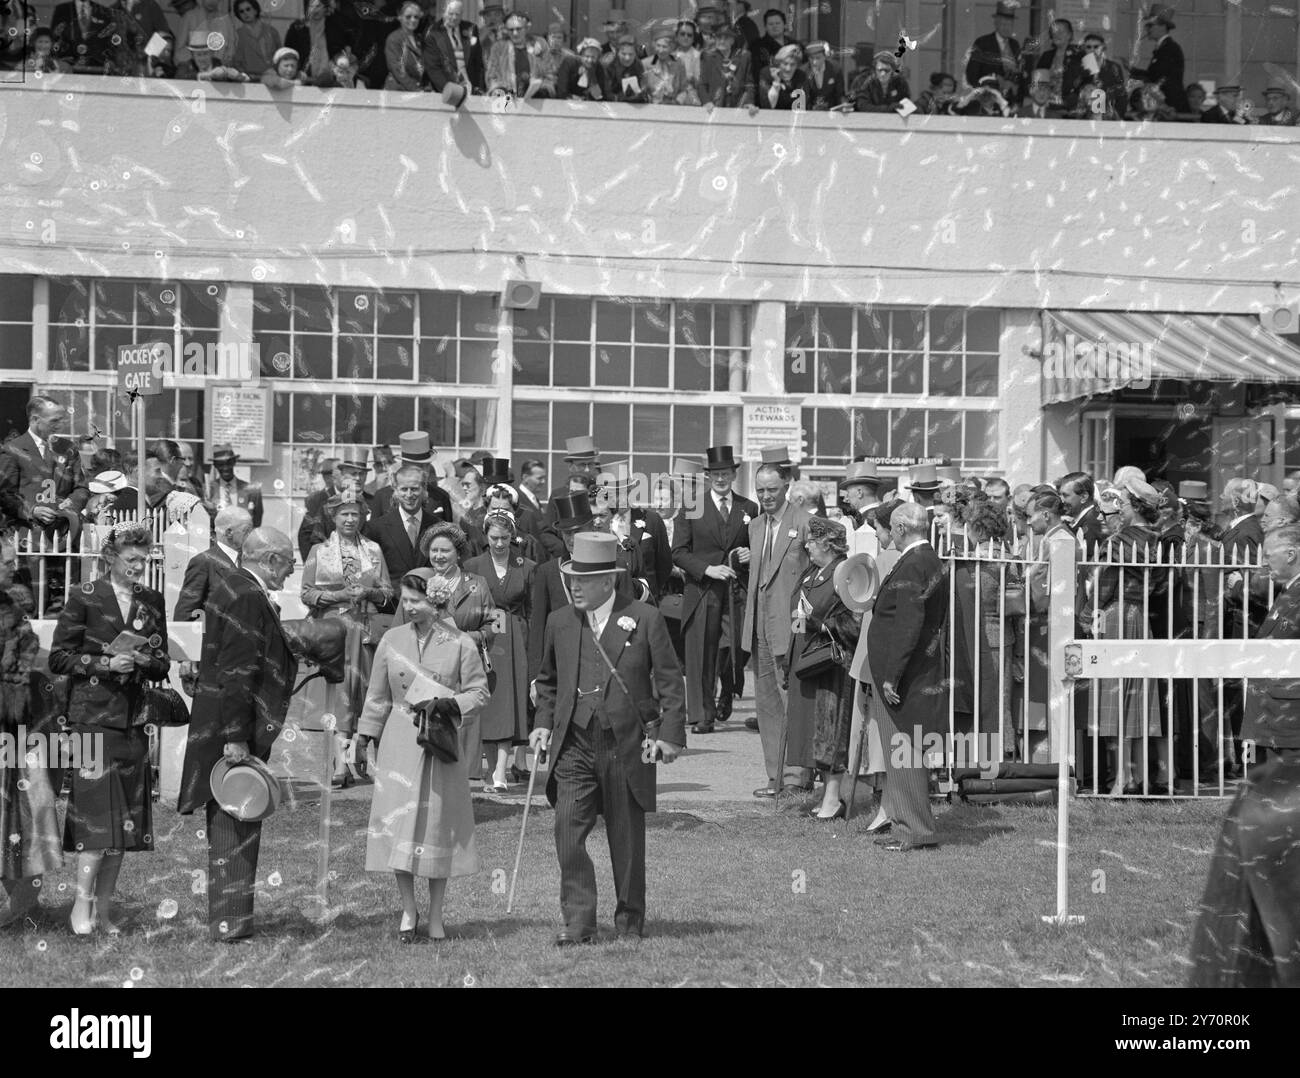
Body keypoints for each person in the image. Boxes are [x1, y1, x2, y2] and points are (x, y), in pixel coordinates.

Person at [529, 532, 686, 944]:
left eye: (582, 579)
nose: (573, 586)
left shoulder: (645, 617)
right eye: (571, 578)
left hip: (627, 744)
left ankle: (630, 922)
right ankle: (579, 923)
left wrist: (670, 735)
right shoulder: (559, 622)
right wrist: (542, 721)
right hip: (573, 744)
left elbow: (670, 680)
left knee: (626, 838)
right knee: (567, 832)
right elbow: (546, 682)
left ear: (608, 581)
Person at [354, 568, 489, 943]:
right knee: (400, 825)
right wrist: (365, 737)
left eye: (416, 601)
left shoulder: (460, 642)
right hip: (398, 742)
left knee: (435, 827)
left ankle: (437, 916)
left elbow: (479, 693)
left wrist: (449, 702)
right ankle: (408, 909)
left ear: (436, 601)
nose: (408, 607)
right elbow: (378, 695)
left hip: (440, 742)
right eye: (405, 600)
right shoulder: (391, 640)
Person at [177, 527, 298, 943]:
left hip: (230, 721)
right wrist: (236, 737)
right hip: (231, 727)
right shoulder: (246, 594)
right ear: (270, 560)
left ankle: (235, 919)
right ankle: (230, 923)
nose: (292, 570)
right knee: (235, 820)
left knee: (240, 821)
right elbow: (237, 671)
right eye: (289, 562)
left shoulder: (234, 585)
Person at [50, 520, 170, 934]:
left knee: (124, 825)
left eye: (144, 558)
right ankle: (79, 908)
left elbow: (163, 662)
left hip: (133, 721)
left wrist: (142, 661)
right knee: (97, 818)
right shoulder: (83, 596)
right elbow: (59, 658)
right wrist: (104, 663)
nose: (139, 566)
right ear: (110, 558)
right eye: (132, 559)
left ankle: (103, 909)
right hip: (92, 719)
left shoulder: (152, 600)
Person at [868, 503, 946, 852]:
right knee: (904, 752)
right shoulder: (926, 558)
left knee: (903, 753)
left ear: (899, 528)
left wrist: (891, 675)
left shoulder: (914, 562)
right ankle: (909, 825)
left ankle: (913, 829)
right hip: (913, 671)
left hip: (904, 674)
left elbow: (908, 624)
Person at [301, 492, 392, 788]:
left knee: (362, 691)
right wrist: (337, 596)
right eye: (344, 514)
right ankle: (340, 763)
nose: (350, 519)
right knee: (338, 693)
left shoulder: (374, 550)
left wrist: (370, 593)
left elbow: (388, 592)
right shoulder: (320, 550)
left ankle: (358, 757)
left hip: (364, 628)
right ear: (333, 517)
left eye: (355, 514)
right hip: (333, 628)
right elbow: (306, 592)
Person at [1086, 478, 1166, 795]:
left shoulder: (1118, 541)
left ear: (1129, 504)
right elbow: (1159, 586)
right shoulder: (1155, 539)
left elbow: (1104, 585)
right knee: (1137, 698)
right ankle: (1135, 775)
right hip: (1142, 617)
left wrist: (1085, 614)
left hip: (1117, 614)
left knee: (1115, 698)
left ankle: (1121, 778)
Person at [672, 445, 757, 734]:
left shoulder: (749, 508)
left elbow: (757, 544)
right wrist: (707, 569)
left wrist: (749, 554)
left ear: (734, 474)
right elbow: (679, 552)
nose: (721, 479)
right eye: (715, 474)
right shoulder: (692, 505)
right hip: (703, 589)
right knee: (701, 653)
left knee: (733, 647)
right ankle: (702, 715)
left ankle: (728, 685)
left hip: (737, 590)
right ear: (708, 477)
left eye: (726, 473)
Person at [0, 536, 60, 930]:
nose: (14, 566)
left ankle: (24, 902)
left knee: (33, 808)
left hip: (21, 729)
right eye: (7, 561)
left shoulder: (14, 606)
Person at [740, 462, 811, 794]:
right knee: (766, 706)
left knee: (791, 703)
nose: (766, 496)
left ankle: (797, 778)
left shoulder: (805, 523)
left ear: (787, 487)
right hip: (759, 630)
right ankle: (776, 777)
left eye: (772, 489)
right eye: (760, 490)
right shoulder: (755, 527)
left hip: (791, 628)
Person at [786, 517, 860, 820]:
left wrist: (817, 623)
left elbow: (855, 622)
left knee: (830, 733)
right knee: (809, 732)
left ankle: (833, 799)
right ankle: (824, 796)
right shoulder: (813, 570)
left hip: (831, 664)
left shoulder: (847, 572)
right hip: (806, 659)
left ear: (828, 545)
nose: (807, 546)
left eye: (813, 542)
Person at [465, 509, 534, 790]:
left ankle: (501, 772)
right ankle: (492, 768)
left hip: (515, 636)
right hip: (485, 637)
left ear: (513, 535)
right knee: (488, 701)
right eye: (494, 537)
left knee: (510, 702)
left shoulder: (526, 566)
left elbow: (532, 608)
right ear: (486, 535)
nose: (500, 543)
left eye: (505, 537)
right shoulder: (473, 565)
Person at [364, 464, 439, 611]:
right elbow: (370, 574)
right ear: (396, 491)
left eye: (415, 489)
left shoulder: (438, 527)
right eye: (404, 489)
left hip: (428, 608)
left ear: (424, 489)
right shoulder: (376, 528)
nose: (409, 495)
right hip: (391, 608)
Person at [173, 506, 254, 624]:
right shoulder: (203, 562)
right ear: (229, 532)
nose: (251, 536)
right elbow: (185, 615)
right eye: (246, 531)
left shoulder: (248, 562)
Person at [1130, 5, 1187, 113]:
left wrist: (1133, 71)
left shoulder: (1169, 48)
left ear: (1163, 26)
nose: (1147, 29)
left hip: (1170, 107)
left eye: (1150, 25)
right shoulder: (1164, 48)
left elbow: (1158, 77)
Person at [422, 0, 485, 96]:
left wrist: (479, 87)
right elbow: (433, 68)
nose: (454, 17)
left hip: (472, 88)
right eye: (451, 14)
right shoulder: (432, 33)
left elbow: (478, 62)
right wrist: (450, 91)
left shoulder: (471, 29)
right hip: (448, 89)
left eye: (458, 14)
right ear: (443, 12)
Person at [964, 1, 1022, 104]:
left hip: (1011, 101)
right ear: (996, 23)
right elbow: (971, 75)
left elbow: (1019, 72)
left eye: (1010, 24)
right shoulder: (982, 43)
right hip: (988, 100)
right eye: (1003, 24)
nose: (1006, 27)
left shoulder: (1015, 45)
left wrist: (1014, 84)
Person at [384, 0, 424, 90]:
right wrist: (416, 89)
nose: (413, 20)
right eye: (408, 17)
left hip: (416, 90)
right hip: (398, 91)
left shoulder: (419, 39)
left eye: (416, 17)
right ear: (400, 17)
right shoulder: (394, 39)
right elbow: (398, 70)